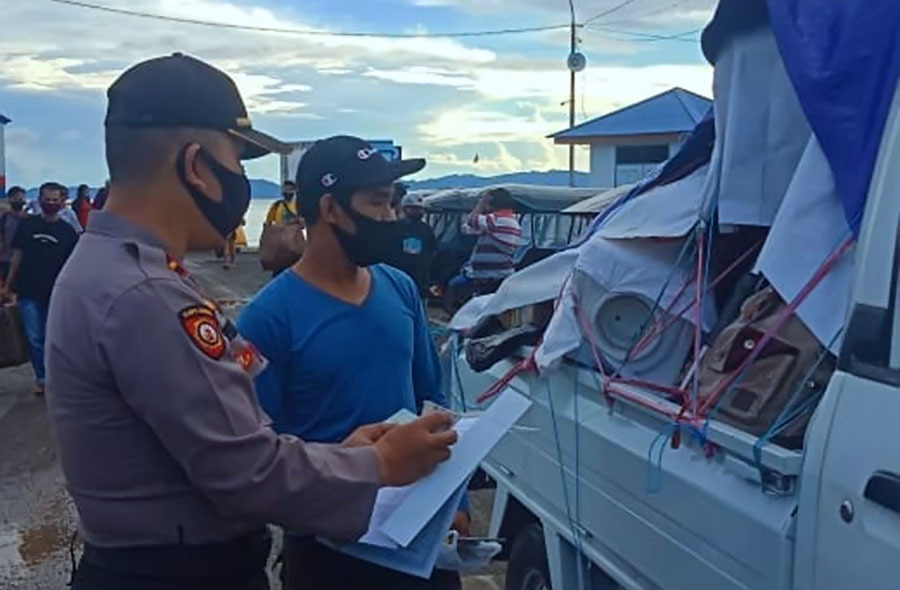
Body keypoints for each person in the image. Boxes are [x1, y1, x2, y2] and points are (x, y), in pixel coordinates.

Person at [43, 53, 458, 590]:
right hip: (180, 573)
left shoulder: (117, 269)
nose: (241, 183)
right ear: (196, 164)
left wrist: (341, 456)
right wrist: (378, 464)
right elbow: (248, 471)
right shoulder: (143, 292)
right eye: (237, 161)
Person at [237, 136, 467, 590]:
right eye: (378, 203)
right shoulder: (267, 318)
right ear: (331, 208)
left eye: (394, 203)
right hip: (330, 555)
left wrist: (452, 499)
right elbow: (256, 453)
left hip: (419, 539)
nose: (391, 218)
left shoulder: (399, 287)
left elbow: (433, 401)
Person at [2, 182, 78, 394]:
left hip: (56, 292)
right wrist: (7, 285)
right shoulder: (27, 226)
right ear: (40, 200)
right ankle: (43, 378)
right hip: (28, 290)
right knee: (35, 337)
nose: (51, 204)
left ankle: (57, 375)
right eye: (47, 200)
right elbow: (17, 256)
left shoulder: (68, 232)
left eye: (55, 200)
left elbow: (73, 263)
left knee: (54, 338)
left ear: (62, 202)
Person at [445, 188, 522, 311]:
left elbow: (472, 220)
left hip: (492, 278)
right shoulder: (505, 221)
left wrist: (481, 202)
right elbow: (467, 229)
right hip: (491, 277)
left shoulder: (497, 220)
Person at [391, 189, 436, 299]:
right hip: (399, 277)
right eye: (415, 209)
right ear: (406, 209)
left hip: (420, 280)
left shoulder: (426, 229)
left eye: (420, 209)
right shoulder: (395, 228)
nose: (419, 212)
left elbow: (432, 250)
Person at [263, 180, 305, 276]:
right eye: (286, 189)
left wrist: (295, 222)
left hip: (294, 240)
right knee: (278, 267)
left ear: (294, 191)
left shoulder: (298, 206)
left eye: (290, 189)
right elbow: (268, 223)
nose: (288, 192)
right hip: (280, 242)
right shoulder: (277, 205)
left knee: (295, 266)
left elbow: (303, 224)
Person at [0, 186, 29, 288]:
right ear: (10, 199)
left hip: (24, 262)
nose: (20, 201)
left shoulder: (30, 220)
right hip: (5, 260)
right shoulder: (4, 218)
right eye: (17, 198)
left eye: (22, 199)